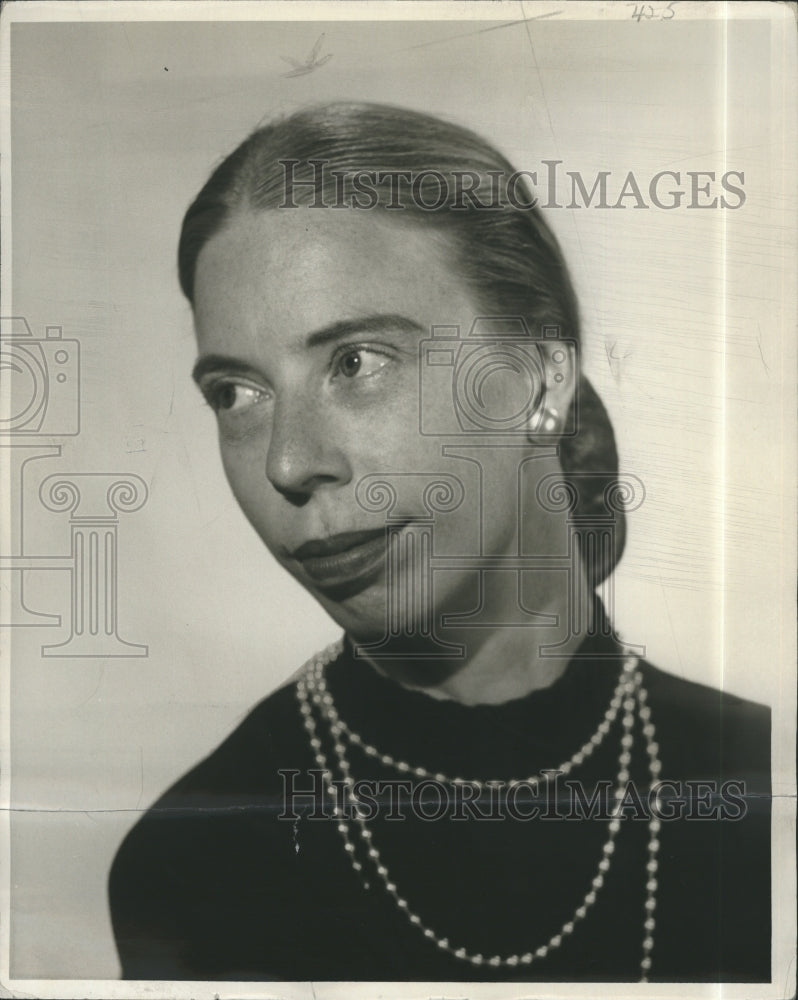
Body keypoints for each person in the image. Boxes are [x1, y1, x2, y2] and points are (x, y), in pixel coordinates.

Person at [109, 102, 770, 983]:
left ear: (541, 377)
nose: (288, 462)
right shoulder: (199, 864)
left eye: (356, 362)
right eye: (236, 393)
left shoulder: (760, 786)